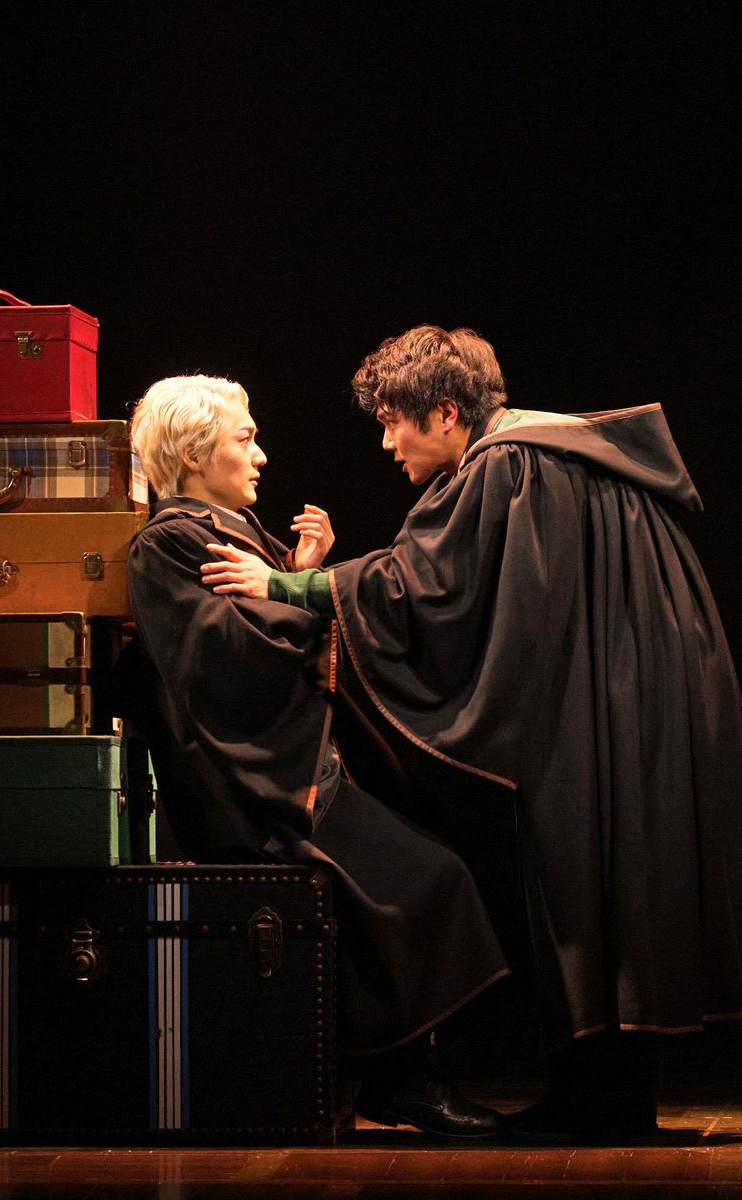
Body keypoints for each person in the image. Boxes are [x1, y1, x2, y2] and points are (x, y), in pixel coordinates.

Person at [201, 327, 742, 1139]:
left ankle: (601, 1102)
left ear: (446, 412)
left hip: (608, 688)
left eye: (394, 423)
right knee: (620, 870)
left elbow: (425, 586)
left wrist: (287, 586)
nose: (388, 445)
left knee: (588, 868)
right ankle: (608, 1097)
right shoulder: (555, 453)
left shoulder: (509, 464)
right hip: (637, 677)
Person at [121, 373, 512, 1139]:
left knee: (439, 874)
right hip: (251, 790)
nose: (261, 456)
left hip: (302, 773)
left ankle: (399, 1072)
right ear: (194, 455)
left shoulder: (233, 532)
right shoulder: (169, 544)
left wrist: (299, 575)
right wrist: (302, 591)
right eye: (244, 439)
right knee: (418, 884)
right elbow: (225, 657)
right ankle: (401, 1079)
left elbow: (277, 613)